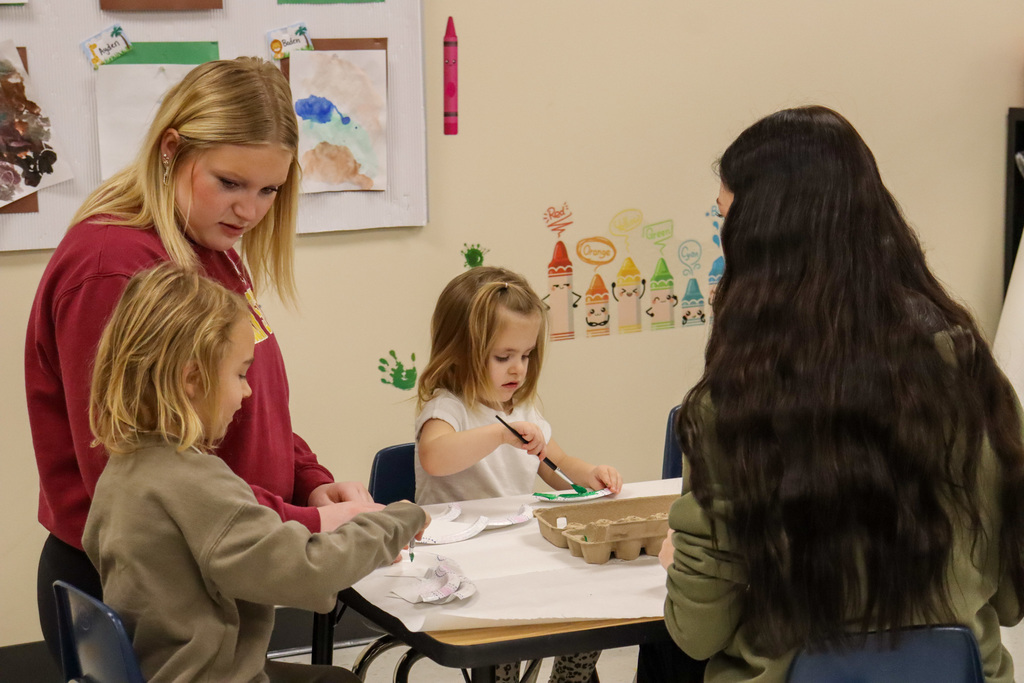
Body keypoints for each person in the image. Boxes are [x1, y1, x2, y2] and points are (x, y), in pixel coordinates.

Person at [25, 56, 379, 664]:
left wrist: (312, 485)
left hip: (215, 568)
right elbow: (136, 477)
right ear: (171, 149)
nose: (251, 211)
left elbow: (250, 398)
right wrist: (301, 526)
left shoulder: (206, 243)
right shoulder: (114, 268)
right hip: (146, 589)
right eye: (231, 183)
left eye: (269, 189)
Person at [659, 105, 1024, 682]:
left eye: (724, 222)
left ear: (758, 240)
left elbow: (695, 632)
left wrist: (681, 558)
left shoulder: (731, 406)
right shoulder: (972, 374)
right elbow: (1010, 598)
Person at [83, 263, 428, 682]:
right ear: (193, 378)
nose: (247, 392)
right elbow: (307, 570)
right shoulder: (194, 481)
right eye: (241, 374)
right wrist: (398, 519)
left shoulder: (124, 468)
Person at [415, 265, 624, 683]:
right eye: (503, 357)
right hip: (463, 562)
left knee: (595, 598)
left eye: (526, 355)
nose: (518, 369)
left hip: (514, 551)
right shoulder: (447, 408)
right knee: (505, 633)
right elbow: (435, 458)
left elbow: (557, 466)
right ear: (461, 351)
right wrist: (496, 434)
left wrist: (593, 475)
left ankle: (571, 677)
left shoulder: (523, 411)